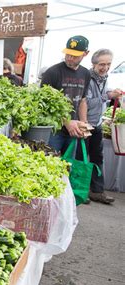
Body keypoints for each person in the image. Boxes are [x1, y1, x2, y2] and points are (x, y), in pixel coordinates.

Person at [82, 49, 122, 204]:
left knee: (98, 159)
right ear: (93, 64)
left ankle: (97, 191)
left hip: (97, 124)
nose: (105, 67)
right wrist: (108, 96)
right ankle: (82, 190)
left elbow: (103, 95)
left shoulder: (104, 78)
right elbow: (87, 102)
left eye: (108, 64)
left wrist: (112, 92)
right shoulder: (87, 78)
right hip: (85, 124)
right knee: (82, 160)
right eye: (102, 64)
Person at [41, 35, 91, 154]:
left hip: (73, 130)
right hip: (54, 130)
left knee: (68, 164)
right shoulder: (52, 72)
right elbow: (44, 103)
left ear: (85, 53)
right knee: (50, 162)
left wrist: (84, 124)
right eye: (68, 54)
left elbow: (83, 100)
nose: (69, 58)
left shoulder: (85, 73)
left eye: (74, 56)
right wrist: (66, 121)